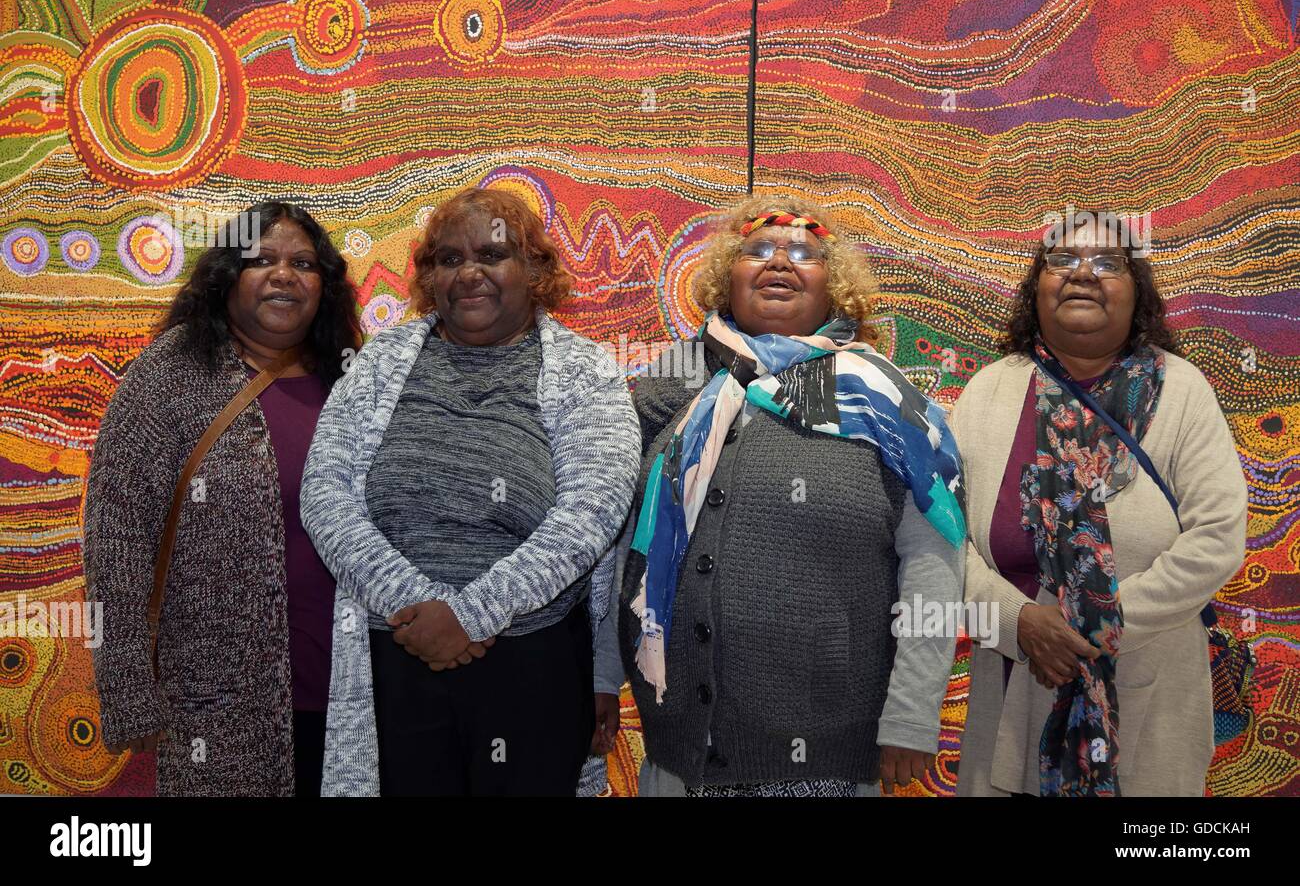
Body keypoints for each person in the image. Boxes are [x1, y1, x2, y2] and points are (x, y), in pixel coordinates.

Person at [594, 194, 966, 796]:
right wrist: (602, 675)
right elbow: (621, 553)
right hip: (678, 754)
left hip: (825, 759)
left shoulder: (886, 402)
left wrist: (912, 712)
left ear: (836, 288)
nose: (779, 263)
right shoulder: (668, 390)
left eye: (804, 254)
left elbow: (935, 565)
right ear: (725, 278)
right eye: (757, 250)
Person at [300, 186, 639, 796]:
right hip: (397, 655)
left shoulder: (587, 371)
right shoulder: (380, 363)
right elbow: (325, 494)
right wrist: (417, 607)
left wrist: (469, 615)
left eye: (492, 254)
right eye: (450, 259)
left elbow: (592, 513)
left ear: (533, 270)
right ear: (431, 276)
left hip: (530, 663)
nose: (470, 273)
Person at [951, 213, 1247, 796]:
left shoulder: (1183, 390)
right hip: (1012, 678)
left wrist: (1092, 626)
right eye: (1061, 261)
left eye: (1108, 263)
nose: (1082, 274)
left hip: (1149, 695)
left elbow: (1216, 538)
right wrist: (1018, 622)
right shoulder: (988, 389)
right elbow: (940, 536)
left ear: (1137, 294)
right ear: (1035, 287)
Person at [83, 202, 362, 795]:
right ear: (225, 277)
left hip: (353, 689)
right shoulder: (170, 378)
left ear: (325, 285)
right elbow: (116, 543)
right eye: (260, 259)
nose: (284, 274)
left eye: (303, 264)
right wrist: (128, 688)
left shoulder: (354, 379)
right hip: (214, 695)